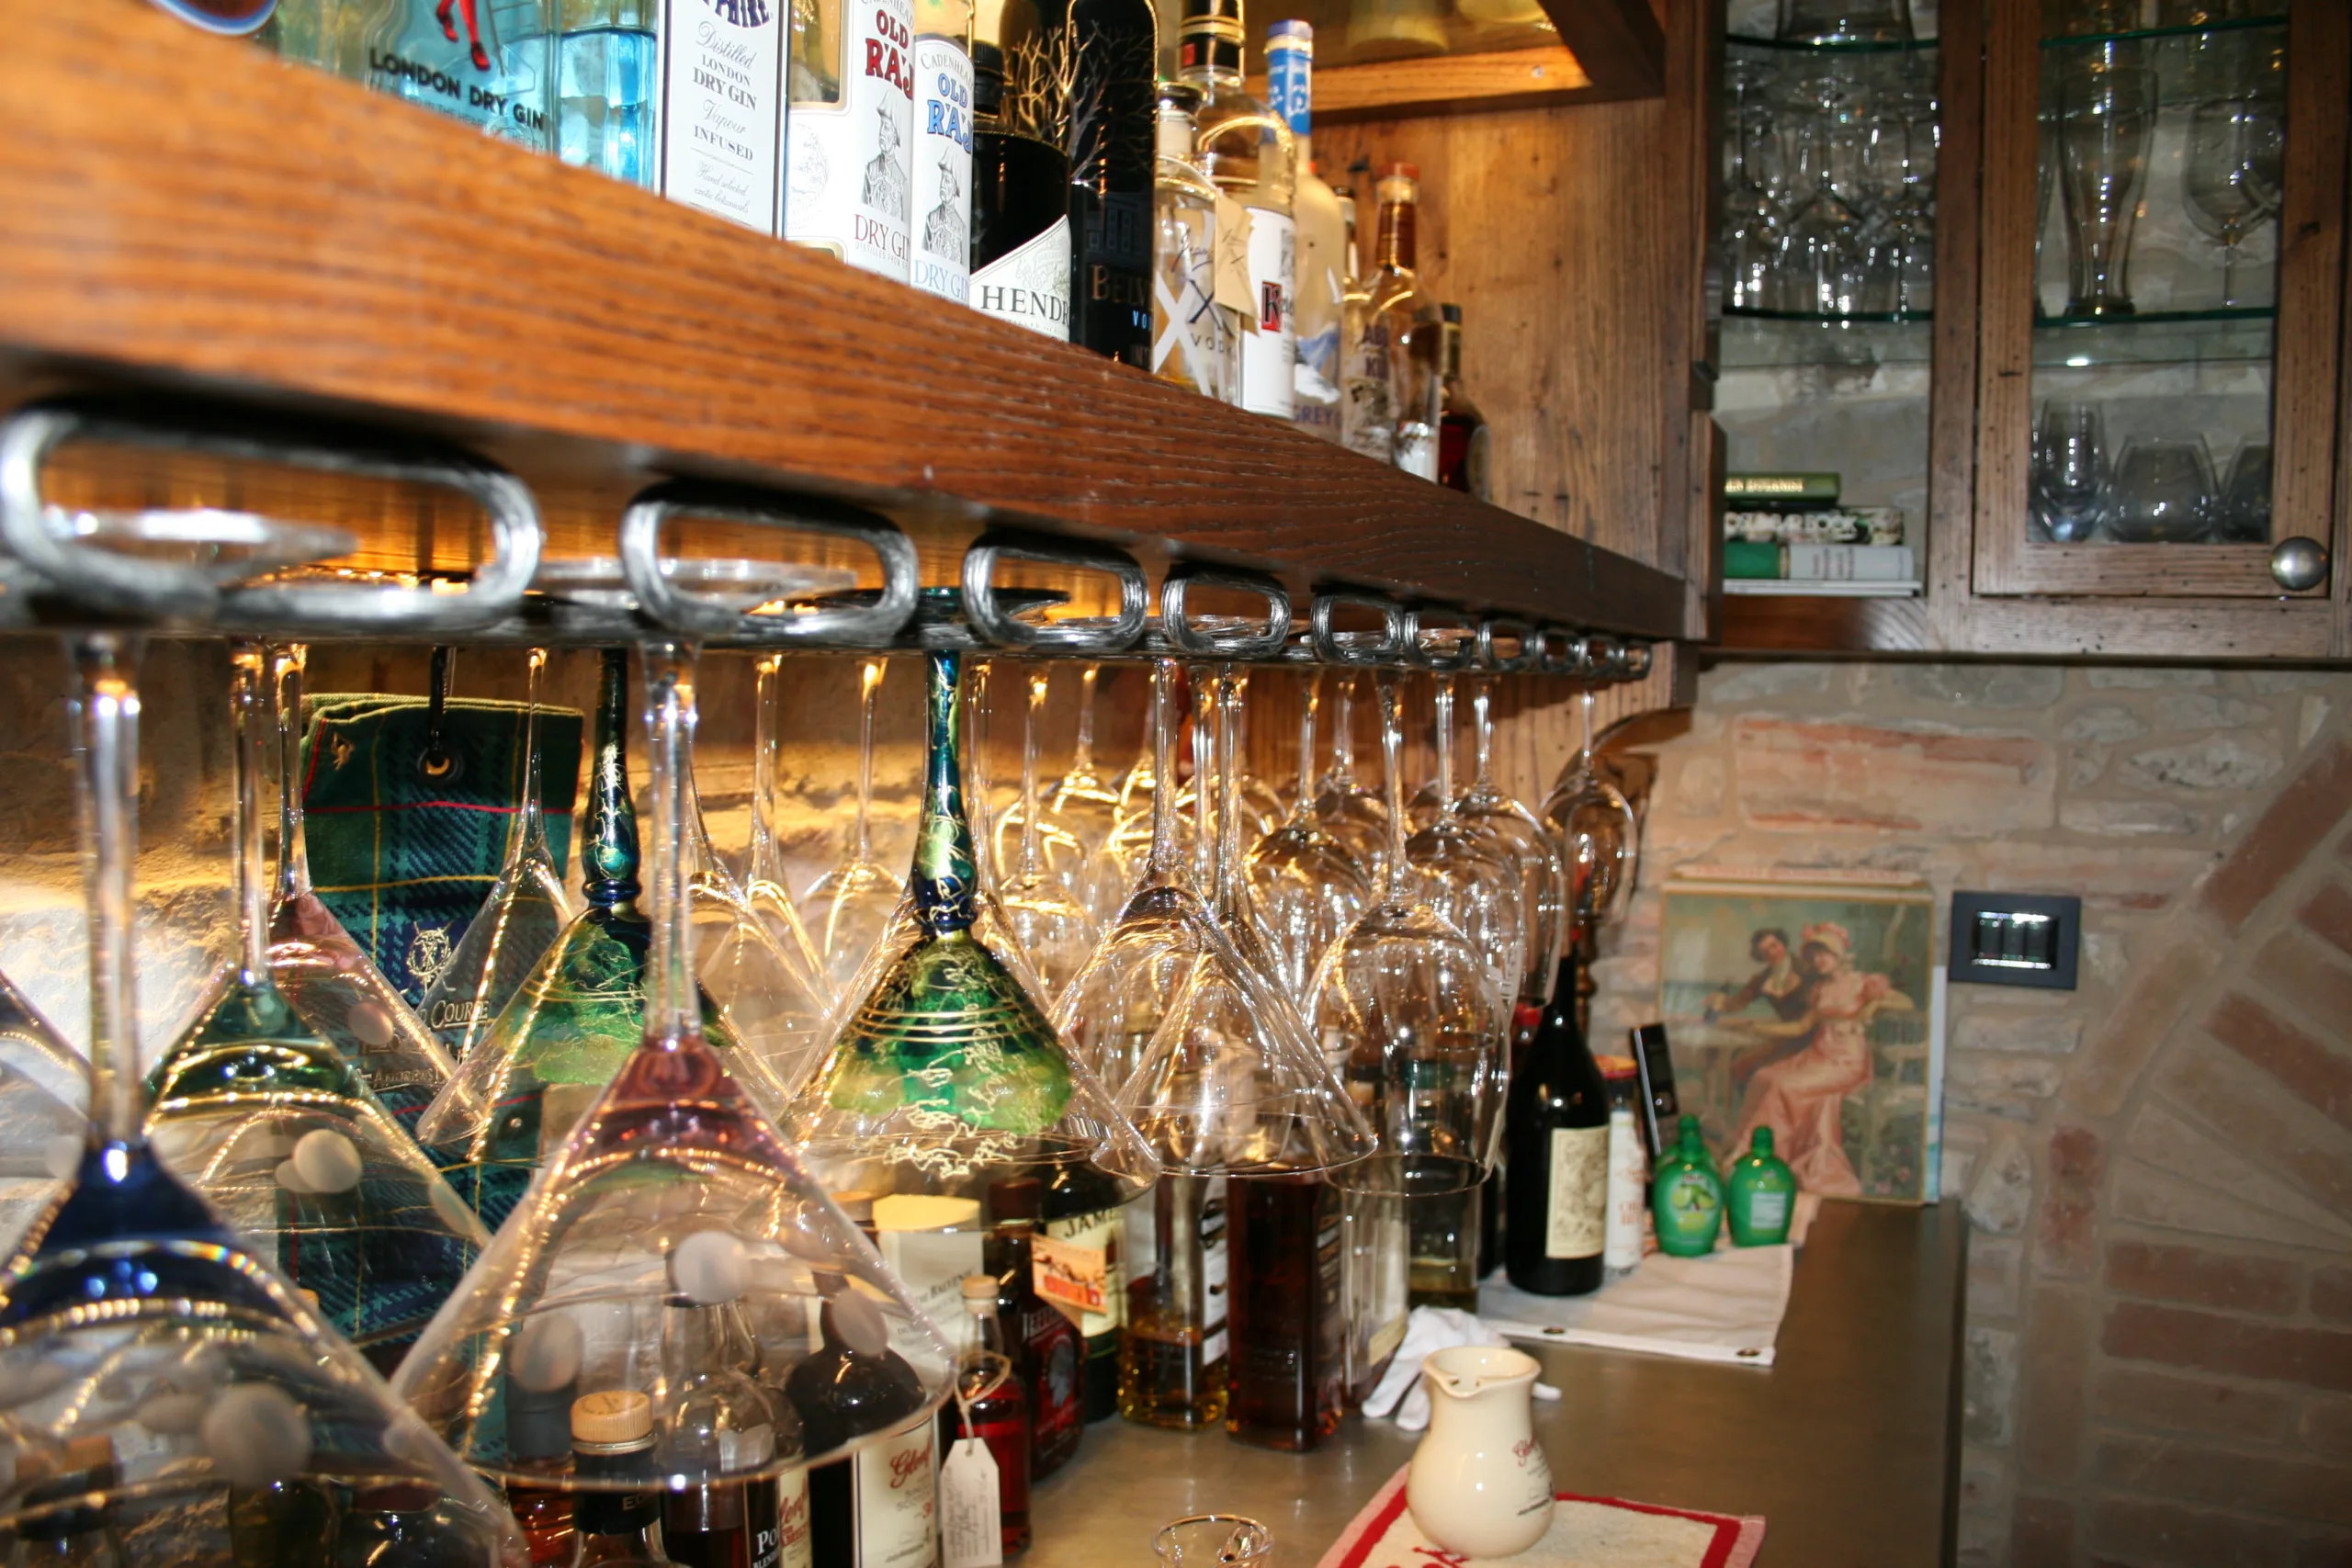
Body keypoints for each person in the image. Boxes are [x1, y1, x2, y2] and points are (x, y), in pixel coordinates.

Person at [1728, 922, 1912, 1198]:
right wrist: (1756, 1027)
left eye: (1823, 954)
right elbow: (1801, 1027)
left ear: (1838, 954)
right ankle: (1751, 1154)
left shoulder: (1863, 982)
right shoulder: (1819, 990)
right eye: (1813, 956)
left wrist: (1874, 1003)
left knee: (1785, 1086)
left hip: (1846, 1060)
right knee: (1764, 1077)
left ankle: (1770, 1158)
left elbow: (1906, 1003)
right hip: (1817, 1055)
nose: (1817, 960)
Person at [1706, 928, 1813, 1094]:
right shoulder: (1763, 978)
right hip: (1787, 1037)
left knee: (1758, 1068)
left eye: (1774, 946)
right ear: (1760, 956)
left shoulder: (1806, 970)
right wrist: (1720, 1002)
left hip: (1811, 1036)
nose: (1772, 953)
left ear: (1783, 943)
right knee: (1740, 1062)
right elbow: (1738, 1003)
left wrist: (1757, 1027)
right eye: (1765, 951)